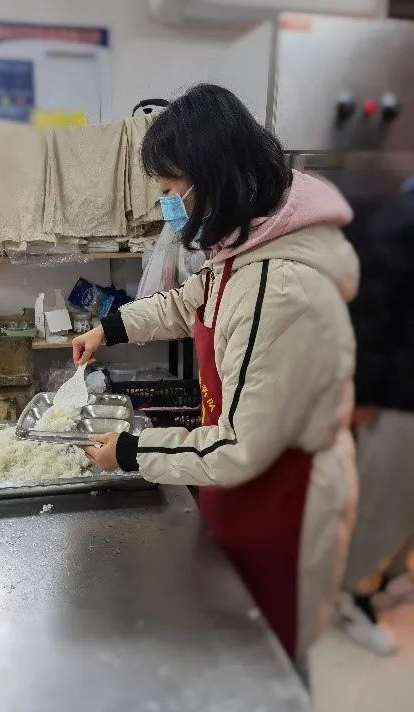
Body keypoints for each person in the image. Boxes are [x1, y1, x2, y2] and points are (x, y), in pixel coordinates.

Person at [73, 84, 359, 663]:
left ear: (211, 178)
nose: (165, 205)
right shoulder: (244, 245)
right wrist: (111, 327)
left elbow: (237, 446)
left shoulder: (274, 283)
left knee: (267, 667)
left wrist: (130, 451)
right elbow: (189, 303)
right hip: (241, 492)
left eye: (169, 190)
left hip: (277, 510)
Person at [337, 176, 414, 654]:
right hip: (397, 396)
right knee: (382, 499)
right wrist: (362, 395)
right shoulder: (399, 220)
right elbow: (373, 316)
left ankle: (393, 574)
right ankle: (350, 593)